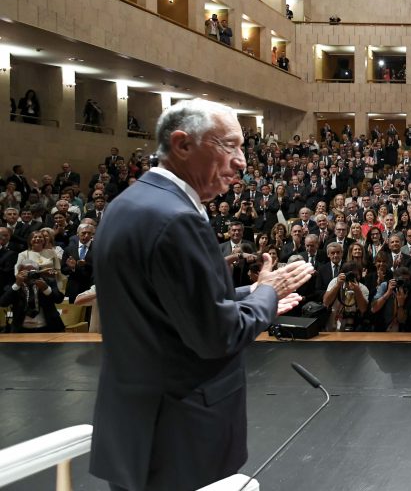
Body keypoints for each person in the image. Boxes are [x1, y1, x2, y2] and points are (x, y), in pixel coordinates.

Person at [89, 99, 314, 491]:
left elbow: (170, 301)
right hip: (180, 434)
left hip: (135, 425)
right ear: (182, 144)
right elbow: (216, 334)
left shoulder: (128, 204)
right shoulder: (178, 218)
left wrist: (250, 292)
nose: (242, 161)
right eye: (230, 146)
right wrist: (267, 294)